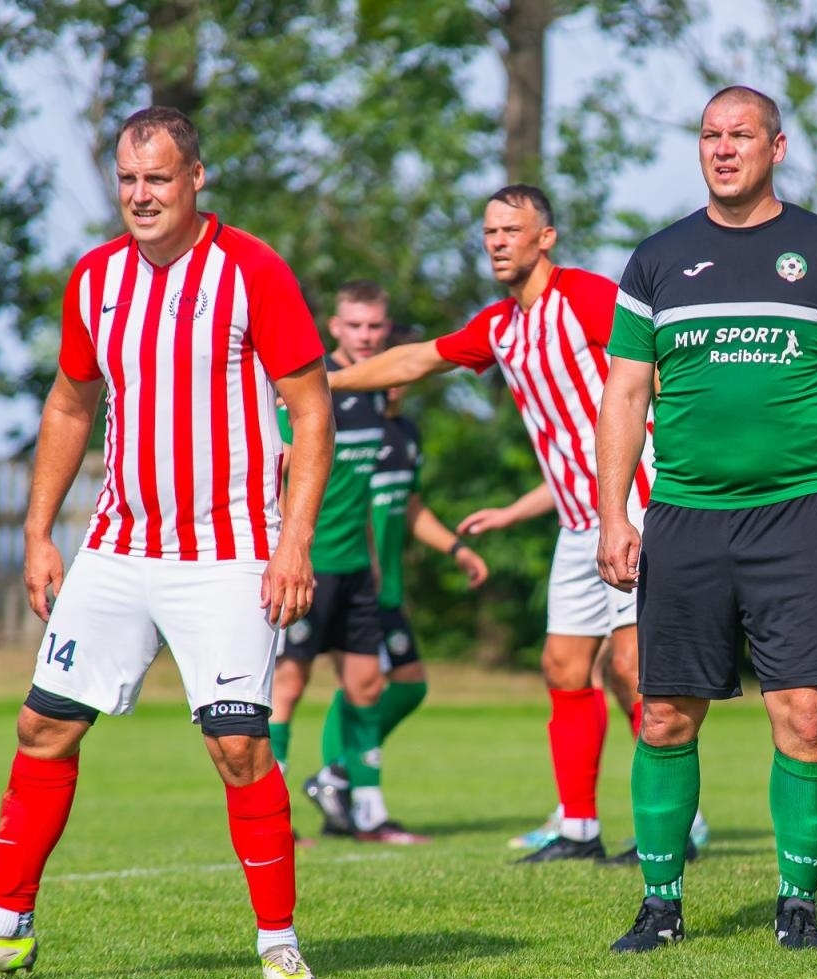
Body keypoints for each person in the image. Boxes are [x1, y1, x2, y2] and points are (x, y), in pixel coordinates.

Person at [0, 107, 331, 979]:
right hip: (117, 546)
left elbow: (311, 407)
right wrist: (39, 533)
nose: (140, 195)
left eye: (157, 178)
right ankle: (4, 932)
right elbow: (71, 406)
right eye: (128, 179)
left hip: (228, 552)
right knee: (42, 728)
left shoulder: (252, 270)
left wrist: (293, 540)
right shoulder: (95, 279)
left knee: (238, 748)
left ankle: (278, 943)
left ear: (195, 180)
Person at [595, 85, 817, 953]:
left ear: (778, 147)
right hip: (683, 518)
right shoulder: (657, 258)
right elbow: (624, 390)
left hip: (797, 515)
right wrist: (614, 514)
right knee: (664, 715)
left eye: (741, 135)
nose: (723, 149)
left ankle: (797, 906)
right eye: (710, 136)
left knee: (804, 712)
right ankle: (660, 904)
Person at [321, 185, 696, 864]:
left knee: (638, 667)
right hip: (580, 522)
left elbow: (656, 368)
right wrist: (321, 384)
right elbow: (416, 359)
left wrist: (683, 459)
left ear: (545, 237)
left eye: (510, 229)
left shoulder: (582, 296)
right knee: (563, 666)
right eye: (488, 230)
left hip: (639, 506)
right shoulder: (500, 326)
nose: (496, 241)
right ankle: (579, 829)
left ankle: (674, 826)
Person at [272, 281, 426, 844]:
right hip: (306, 565)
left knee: (365, 686)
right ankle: (275, 818)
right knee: (286, 686)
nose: (365, 336)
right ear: (335, 327)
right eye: (354, 326)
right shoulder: (311, 392)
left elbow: (385, 500)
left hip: (357, 569)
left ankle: (368, 813)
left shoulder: (384, 401)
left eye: (374, 327)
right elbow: (278, 474)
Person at [301, 381, 490, 838]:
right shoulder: (344, 424)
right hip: (353, 578)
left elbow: (410, 508)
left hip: (385, 587)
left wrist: (455, 548)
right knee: (362, 684)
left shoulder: (405, 432)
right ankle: (342, 783)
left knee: (403, 684)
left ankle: (338, 777)